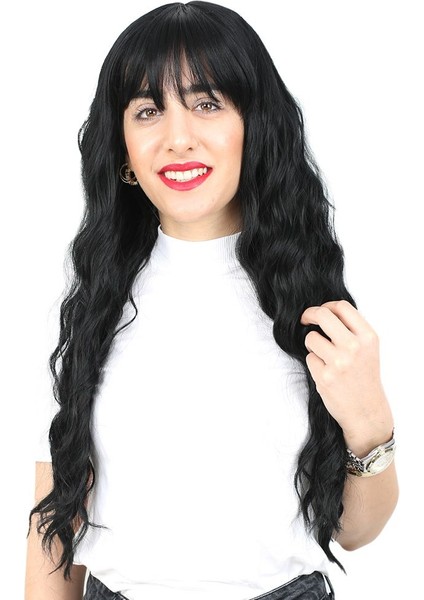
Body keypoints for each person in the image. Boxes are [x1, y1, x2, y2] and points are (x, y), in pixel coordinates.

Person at [24, 2, 399, 599]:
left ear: (254, 123)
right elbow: (53, 529)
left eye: (206, 103)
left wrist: (370, 421)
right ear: (122, 146)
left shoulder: (312, 299)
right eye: (148, 111)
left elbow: (355, 533)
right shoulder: (82, 303)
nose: (178, 139)